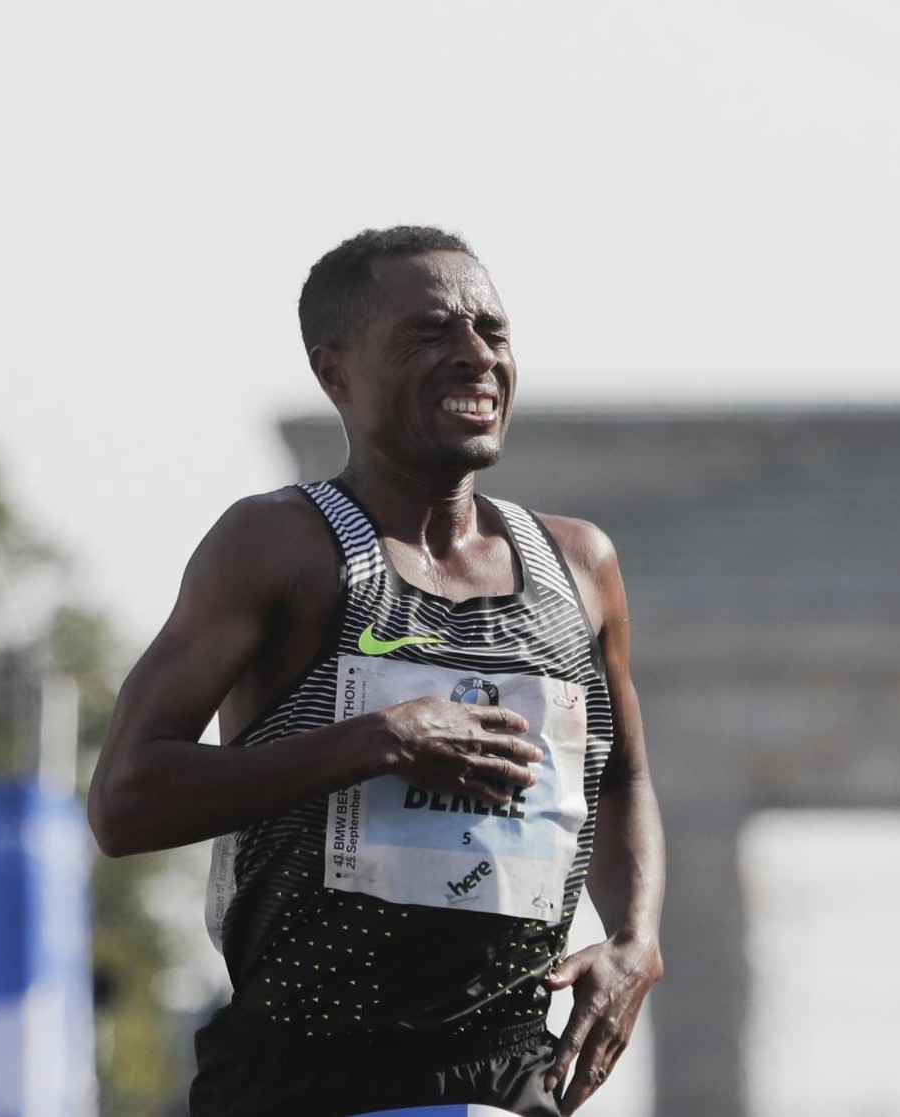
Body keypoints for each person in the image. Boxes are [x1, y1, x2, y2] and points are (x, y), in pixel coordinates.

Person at [87, 226, 665, 1117]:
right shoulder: (282, 545)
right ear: (336, 373)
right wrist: (376, 740)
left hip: (507, 1070)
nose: (475, 355)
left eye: (493, 332)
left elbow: (620, 771)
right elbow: (125, 799)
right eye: (430, 332)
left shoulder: (578, 564)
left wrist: (634, 938)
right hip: (303, 1072)